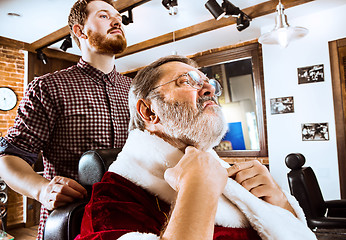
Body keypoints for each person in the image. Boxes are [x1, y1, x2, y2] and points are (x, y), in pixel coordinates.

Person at [75, 55, 316, 240]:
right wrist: (197, 189)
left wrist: (280, 202)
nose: (210, 89)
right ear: (149, 111)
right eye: (188, 81)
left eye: (210, 84)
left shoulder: (231, 175)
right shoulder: (111, 201)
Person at [0, 0, 131, 239]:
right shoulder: (48, 87)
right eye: (104, 16)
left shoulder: (136, 91)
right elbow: (10, 157)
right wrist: (42, 190)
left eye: (118, 17)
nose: (117, 21)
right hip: (70, 225)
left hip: (129, 223)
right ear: (80, 31)